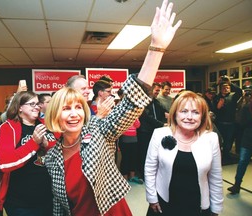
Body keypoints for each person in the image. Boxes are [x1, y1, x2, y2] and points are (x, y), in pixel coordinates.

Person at [44, 0, 182, 215]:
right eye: (66, 108)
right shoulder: (52, 157)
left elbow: (132, 102)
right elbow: (58, 204)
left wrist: (156, 48)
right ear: (55, 114)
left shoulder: (97, 131)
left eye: (78, 107)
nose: (74, 114)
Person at [145, 90, 223, 216]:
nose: (190, 117)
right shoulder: (160, 134)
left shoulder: (211, 138)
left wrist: (216, 207)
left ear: (202, 116)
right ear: (175, 113)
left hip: (196, 204)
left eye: (196, 112)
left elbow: (215, 176)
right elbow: (150, 169)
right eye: (184, 111)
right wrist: (152, 198)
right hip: (164, 202)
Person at [0, 91, 57, 216]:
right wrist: (33, 143)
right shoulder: (8, 128)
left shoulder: (46, 125)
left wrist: (46, 145)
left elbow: (61, 152)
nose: (36, 107)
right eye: (31, 104)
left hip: (49, 199)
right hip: (21, 204)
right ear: (20, 107)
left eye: (37, 103)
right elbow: (3, 163)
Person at [228, 87, 252, 194]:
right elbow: (241, 123)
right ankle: (237, 185)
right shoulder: (247, 107)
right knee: (242, 162)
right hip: (248, 140)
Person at [137, 82, 168, 180]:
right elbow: (147, 117)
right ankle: (143, 175)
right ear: (150, 90)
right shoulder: (144, 102)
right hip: (144, 132)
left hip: (155, 132)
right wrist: (162, 124)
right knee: (144, 154)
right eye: (156, 90)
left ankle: (153, 174)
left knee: (154, 154)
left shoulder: (156, 102)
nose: (158, 93)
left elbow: (164, 112)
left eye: (159, 91)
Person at [213, 75, 242, 163]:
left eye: (228, 87)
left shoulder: (233, 97)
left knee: (228, 141)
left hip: (230, 123)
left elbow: (239, 91)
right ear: (221, 88)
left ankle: (226, 155)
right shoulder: (216, 97)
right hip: (219, 123)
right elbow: (209, 92)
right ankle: (218, 156)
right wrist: (217, 83)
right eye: (224, 87)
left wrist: (230, 82)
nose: (226, 89)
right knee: (218, 141)